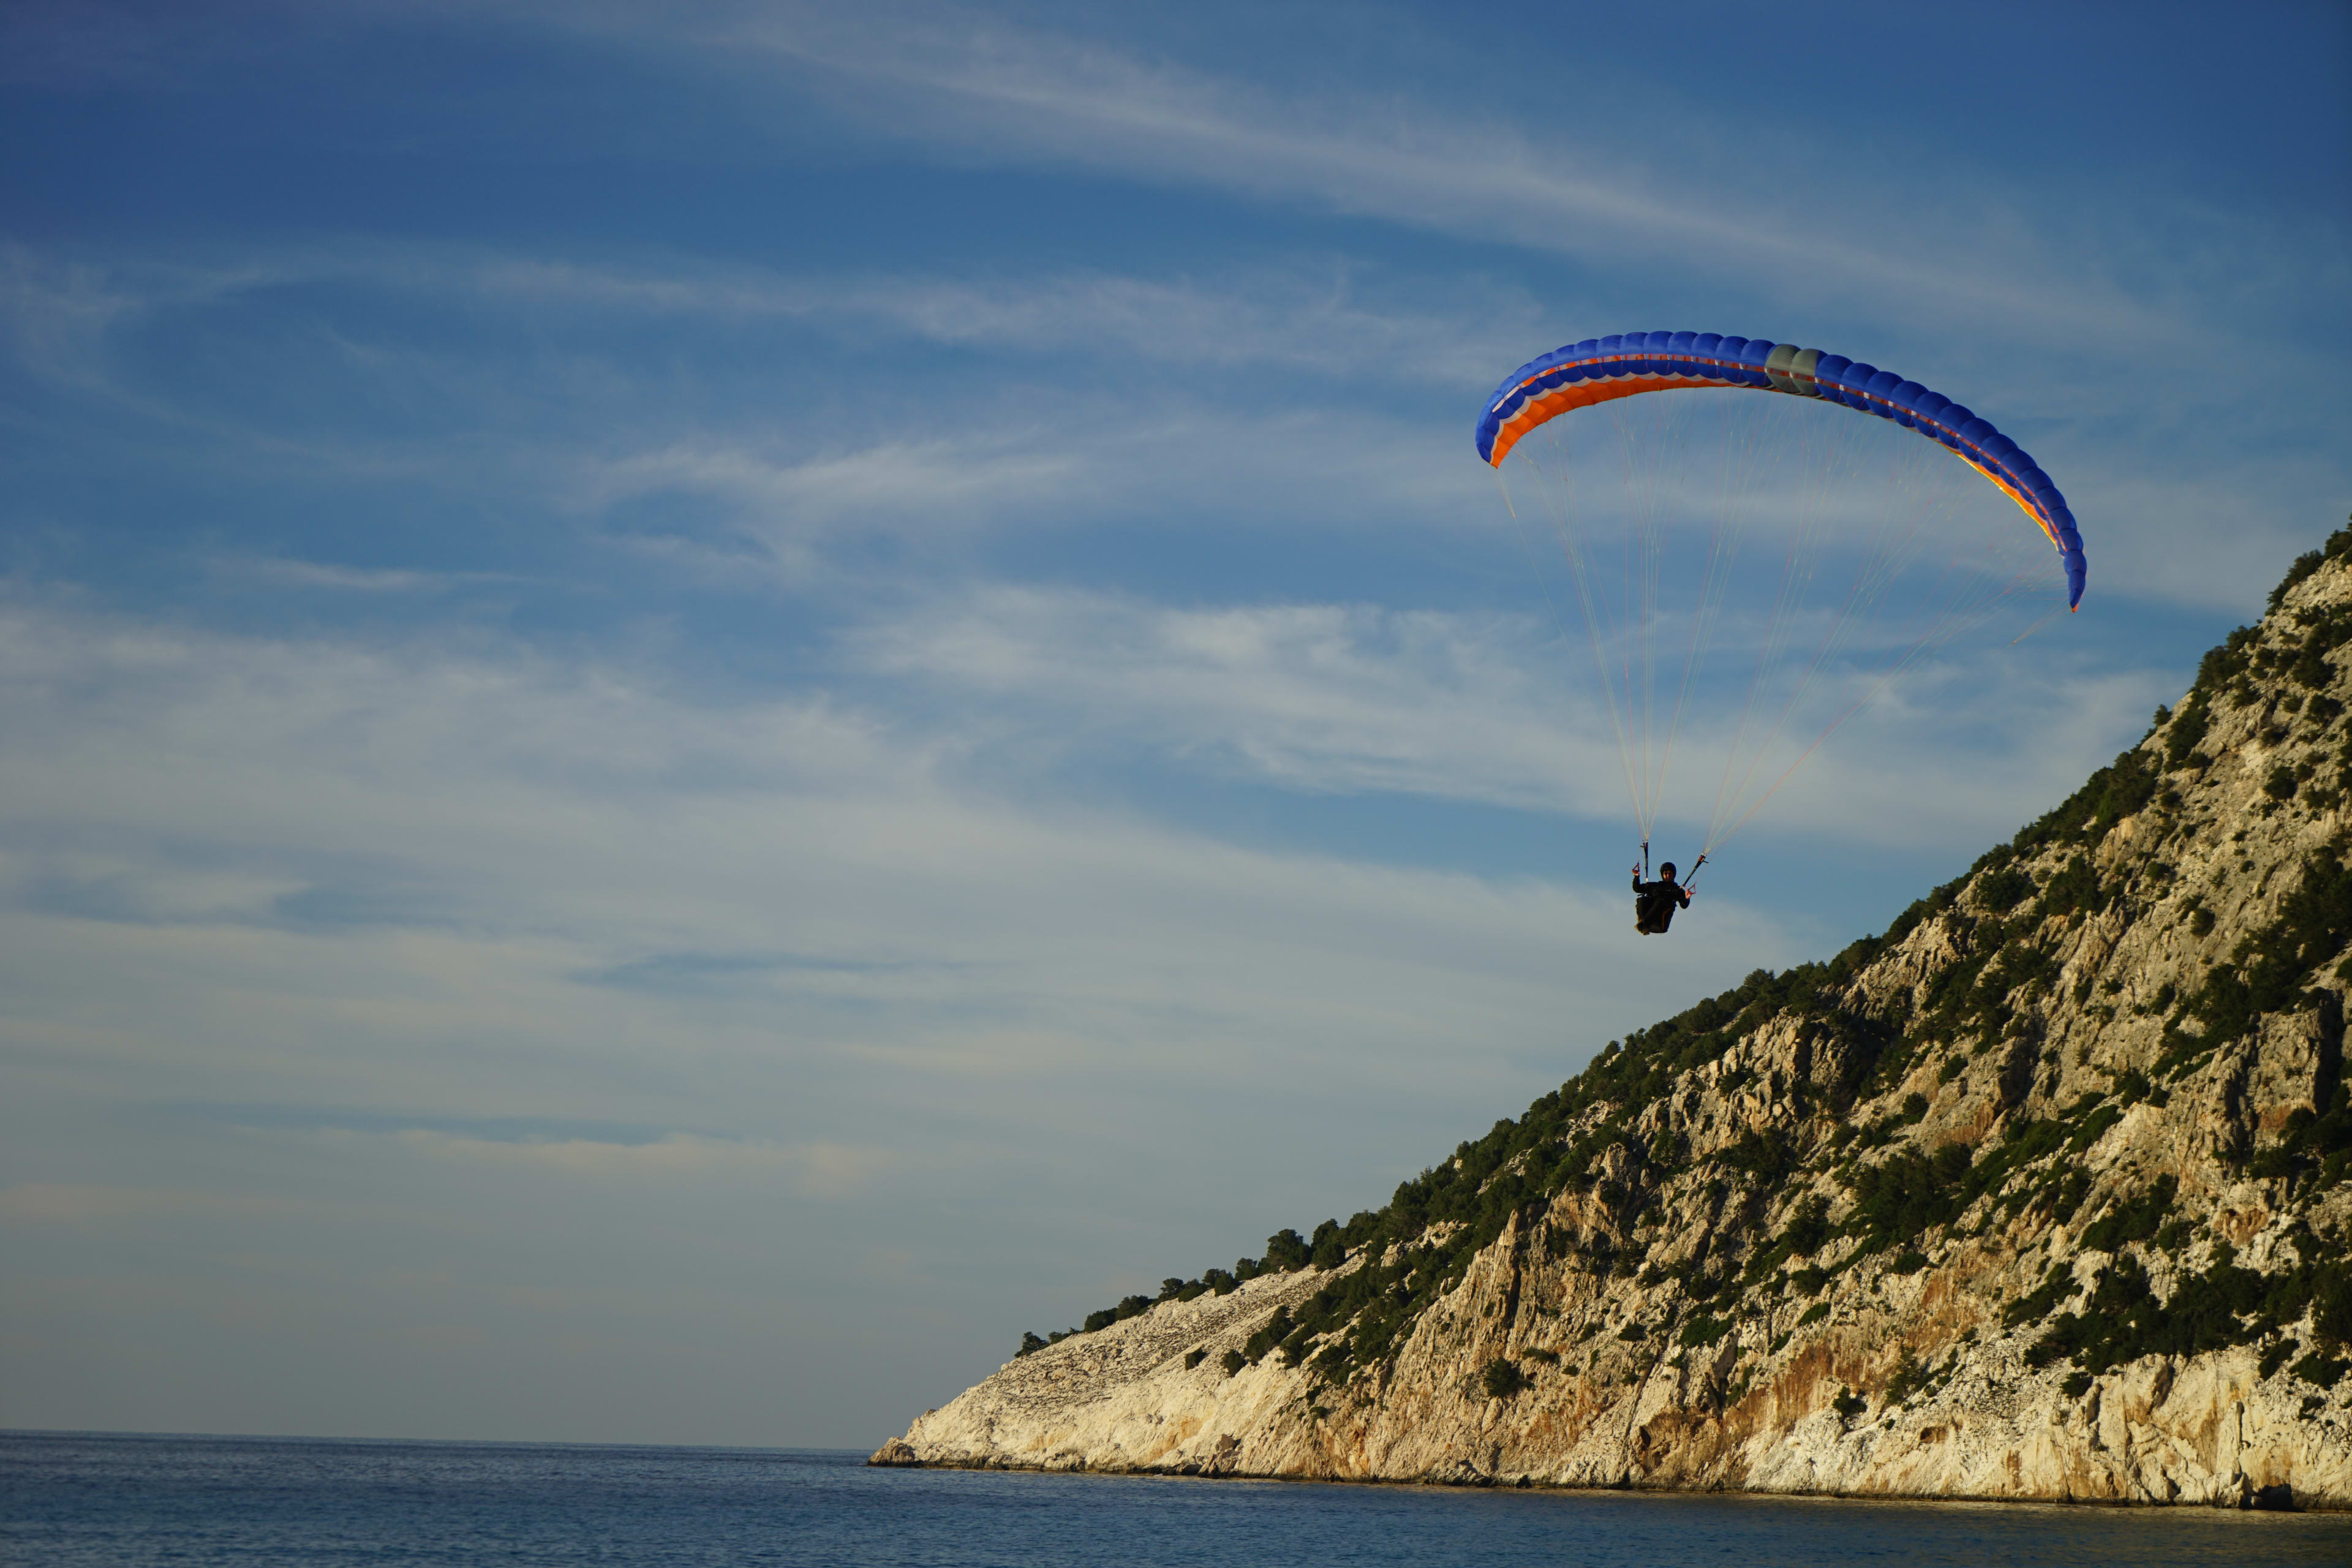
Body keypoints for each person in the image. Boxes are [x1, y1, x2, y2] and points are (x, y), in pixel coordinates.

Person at [1631, 861, 1693, 935]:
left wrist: (1687, 898)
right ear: (1662, 875)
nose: (1668, 876)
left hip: (1661, 924)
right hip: (1648, 923)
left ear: (1674, 874)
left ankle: (1644, 924)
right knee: (1642, 899)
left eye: (1670, 873)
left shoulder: (1678, 890)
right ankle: (1643, 923)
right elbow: (1637, 889)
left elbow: (1684, 905)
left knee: (1661, 901)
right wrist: (1636, 877)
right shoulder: (1656, 886)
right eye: (1666, 874)